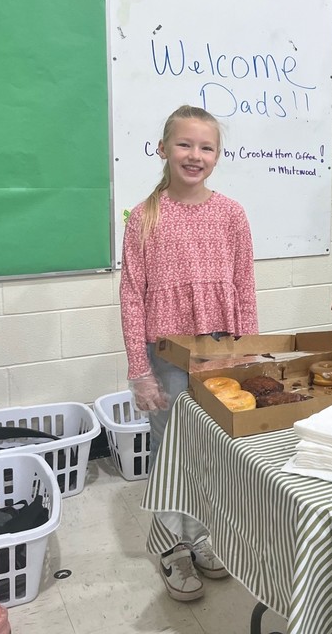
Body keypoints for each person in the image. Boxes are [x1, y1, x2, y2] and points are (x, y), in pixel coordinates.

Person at [119, 104, 258, 601]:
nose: (194, 155)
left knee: (211, 453)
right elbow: (132, 297)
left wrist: (249, 352)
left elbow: (244, 287)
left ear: (218, 156)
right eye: (184, 144)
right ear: (163, 149)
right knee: (172, 453)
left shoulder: (232, 214)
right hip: (168, 361)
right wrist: (140, 371)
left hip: (220, 356)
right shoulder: (144, 217)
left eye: (206, 147)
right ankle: (171, 546)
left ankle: (200, 536)